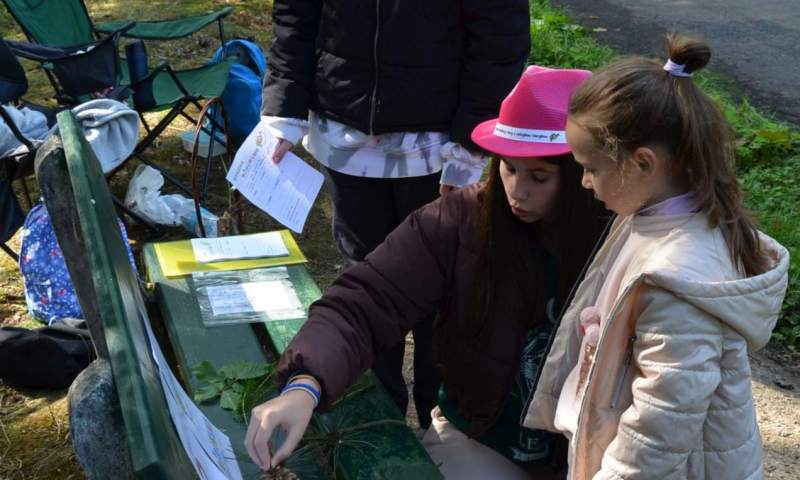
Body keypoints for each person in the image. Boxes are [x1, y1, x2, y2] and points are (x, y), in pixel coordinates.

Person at [245, 66, 610, 478]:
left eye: (539, 176)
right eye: (507, 168)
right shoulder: (462, 220)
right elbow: (366, 300)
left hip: (594, 455)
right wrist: (304, 384)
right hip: (481, 435)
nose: (516, 191)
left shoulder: (623, 236)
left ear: (586, 172)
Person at [523, 34, 790, 479]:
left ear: (642, 164)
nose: (585, 183)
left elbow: (661, 424)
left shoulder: (679, 276)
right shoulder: (648, 215)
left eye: (590, 168)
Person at [260, 0, 531, 428]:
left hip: (437, 145)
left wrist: (470, 144)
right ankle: (376, 424)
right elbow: (297, 17)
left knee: (442, 293)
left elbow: (499, 37)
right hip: (345, 133)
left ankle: (439, 426)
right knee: (365, 277)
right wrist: (284, 106)